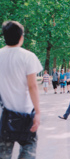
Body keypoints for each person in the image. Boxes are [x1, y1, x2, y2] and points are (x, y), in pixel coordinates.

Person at [0, 21, 43, 158]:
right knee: (28, 148)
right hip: (26, 115)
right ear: (21, 37)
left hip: (3, 117)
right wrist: (37, 112)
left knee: (3, 153)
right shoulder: (28, 57)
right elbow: (32, 86)